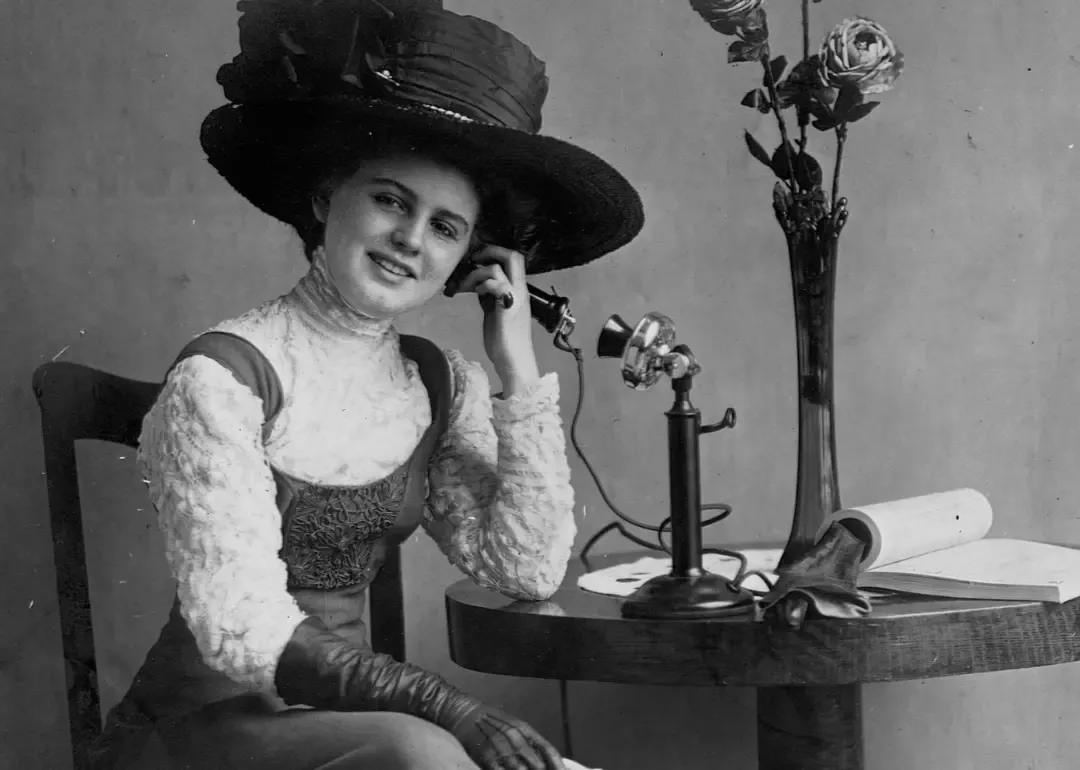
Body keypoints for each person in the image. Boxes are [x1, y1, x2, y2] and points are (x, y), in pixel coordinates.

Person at [90, 1, 644, 769]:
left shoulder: (439, 384)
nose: (411, 240)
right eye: (390, 199)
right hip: (198, 731)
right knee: (425, 755)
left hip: (353, 723)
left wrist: (516, 370)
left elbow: (524, 567)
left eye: (447, 228)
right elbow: (239, 628)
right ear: (325, 200)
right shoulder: (222, 376)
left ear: (467, 262)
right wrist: (450, 708)